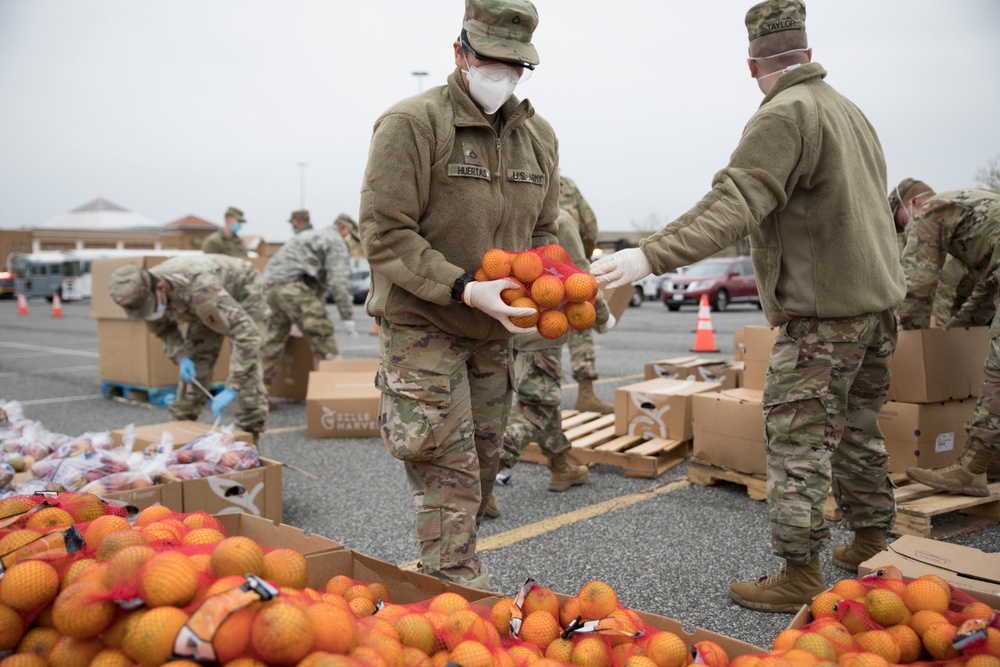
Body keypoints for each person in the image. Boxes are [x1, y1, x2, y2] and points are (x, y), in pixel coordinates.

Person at [590, 0, 905, 612]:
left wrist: (645, 257)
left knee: (796, 439)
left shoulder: (784, 114)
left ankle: (799, 570)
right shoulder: (849, 110)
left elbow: (733, 203)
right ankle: (870, 538)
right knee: (858, 430)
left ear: (751, 66)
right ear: (809, 56)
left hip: (823, 318)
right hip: (875, 311)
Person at [358, 0, 558, 590]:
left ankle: (454, 567)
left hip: (494, 332)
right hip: (425, 323)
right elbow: (385, 232)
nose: (502, 75)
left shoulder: (538, 138)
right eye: (490, 61)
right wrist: (465, 288)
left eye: (514, 65)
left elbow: (542, 234)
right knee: (446, 469)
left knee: (485, 462)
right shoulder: (412, 124)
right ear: (460, 53)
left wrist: (537, 294)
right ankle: (453, 595)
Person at [485, 209, 615, 518]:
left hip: (506, 324)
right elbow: (580, 274)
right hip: (543, 326)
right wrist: (604, 316)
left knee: (541, 394)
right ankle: (484, 480)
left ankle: (560, 466)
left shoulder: (505, 209)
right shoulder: (559, 217)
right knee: (537, 404)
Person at [893, 182, 1000, 495]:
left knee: (998, 370)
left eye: (901, 222)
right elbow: (984, 289)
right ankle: (992, 457)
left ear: (912, 203)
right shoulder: (974, 209)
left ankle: (972, 469)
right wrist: (952, 332)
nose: (906, 230)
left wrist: (910, 348)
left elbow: (917, 286)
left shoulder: (929, 210)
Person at [107, 255, 269, 443]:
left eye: (149, 308)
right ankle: (179, 432)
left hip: (243, 288)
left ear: (160, 288)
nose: (149, 313)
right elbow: (164, 330)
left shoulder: (201, 289)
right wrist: (182, 356)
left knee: (248, 366)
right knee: (196, 363)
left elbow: (247, 336)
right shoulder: (144, 295)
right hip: (198, 304)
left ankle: (249, 439)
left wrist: (233, 387)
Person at [261, 210, 356, 395]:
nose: (350, 242)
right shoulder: (335, 240)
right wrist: (347, 316)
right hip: (294, 288)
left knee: (271, 343)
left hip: (270, 288)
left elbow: (317, 283)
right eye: (351, 236)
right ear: (343, 228)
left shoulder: (310, 236)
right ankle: (338, 395)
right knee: (323, 339)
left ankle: (254, 399)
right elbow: (340, 282)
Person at [560, 175, 614, 414]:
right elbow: (589, 225)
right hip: (569, 267)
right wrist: (582, 253)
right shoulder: (566, 185)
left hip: (530, 267)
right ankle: (585, 392)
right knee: (580, 320)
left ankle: (529, 398)